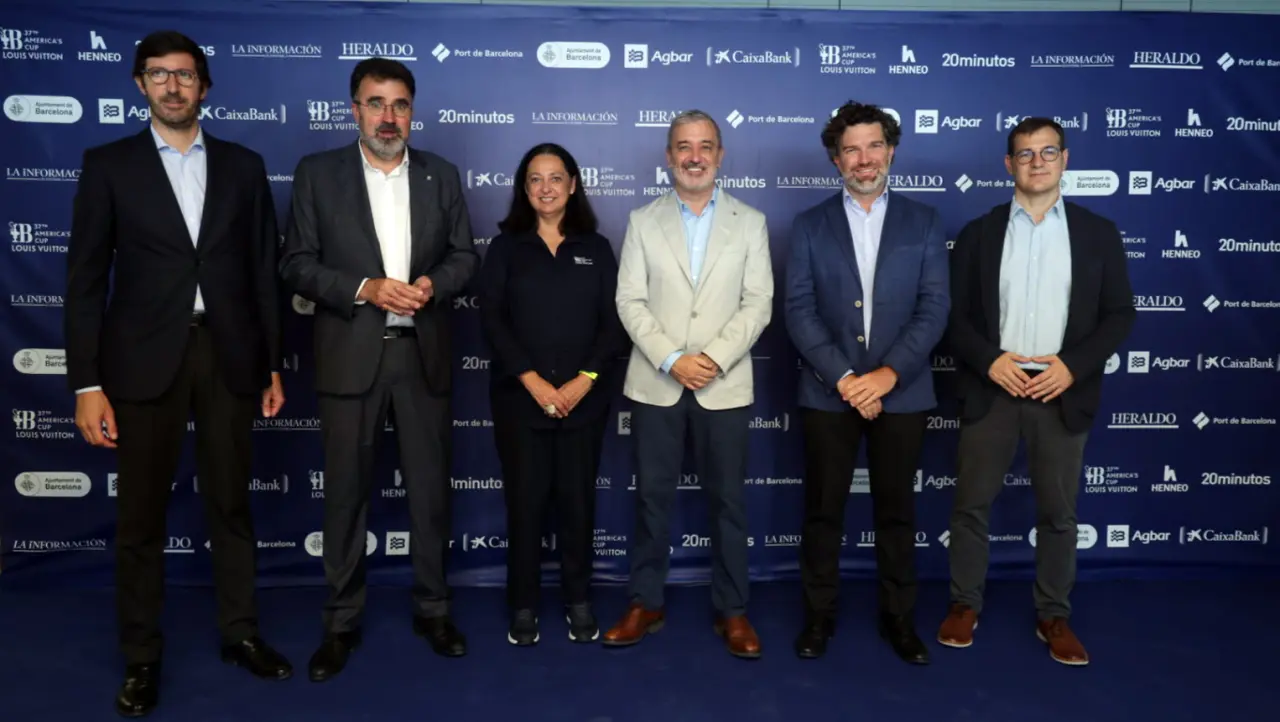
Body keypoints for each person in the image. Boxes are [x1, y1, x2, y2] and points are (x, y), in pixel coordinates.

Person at [64, 30, 291, 718]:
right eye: (159, 74)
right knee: (140, 517)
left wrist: (270, 363)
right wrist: (86, 384)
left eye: (184, 74)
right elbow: (84, 281)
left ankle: (240, 633)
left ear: (204, 87)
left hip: (228, 356)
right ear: (140, 84)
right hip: (140, 361)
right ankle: (141, 656)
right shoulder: (108, 164)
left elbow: (263, 272)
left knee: (231, 504)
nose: (172, 85)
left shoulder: (244, 166)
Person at [278, 57, 479, 681]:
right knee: (344, 496)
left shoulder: (441, 175)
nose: (388, 117)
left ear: (412, 112)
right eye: (376, 103)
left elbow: (465, 257)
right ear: (354, 110)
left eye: (399, 105)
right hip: (349, 357)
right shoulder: (318, 174)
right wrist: (365, 288)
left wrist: (432, 284)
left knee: (430, 496)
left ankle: (433, 610)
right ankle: (341, 621)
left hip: (422, 355)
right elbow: (296, 263)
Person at [939, 117, 1135, 666]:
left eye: (1048, 152)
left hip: (1060, 391)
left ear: (1065, 159)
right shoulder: (979, 233)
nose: (1038, 162)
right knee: (970, 507)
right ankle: (963, 604)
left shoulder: (1098, 233)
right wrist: (989, 361)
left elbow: (1120, 314)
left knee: (1058, 514)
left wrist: (1072, 367)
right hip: (993, 388)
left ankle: (1053, 614)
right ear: (1009, 165)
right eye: (1025, 154)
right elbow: (950, 316)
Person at [783, 100, 950, 664]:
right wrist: (848, 378)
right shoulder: (809, 225)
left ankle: (899, 619)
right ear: (836, 160)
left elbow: (934, 308)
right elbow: (799, 310)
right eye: (850, 149)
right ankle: (818, 617)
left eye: (873, 145)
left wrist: (886, 375)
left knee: (897, 513)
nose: (863, 158)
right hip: (829, 392)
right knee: (823, 511)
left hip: (903, 391)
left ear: (891, 151)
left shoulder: (925, 222)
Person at [604, 110, 774, 659]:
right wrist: (673, 358)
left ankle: (733, 609)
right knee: (652, 500)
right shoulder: (642, 220)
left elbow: (758, 303)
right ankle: (645, 602)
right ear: (668, 156)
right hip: (658, 382)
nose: (694, 156)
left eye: (704, 146)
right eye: (683, 146)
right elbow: (629, 300)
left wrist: (712, 360)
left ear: (720, 156)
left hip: (724, 383)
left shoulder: (750, 221)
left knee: (728, 503)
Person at [476, 142, 629, 646]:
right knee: (525, 506)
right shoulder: (505, 248)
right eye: (535, 179)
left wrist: (583, 381)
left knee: (577, 505)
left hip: (583, 404)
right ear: (524, 189)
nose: (546, 188)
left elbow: (614, 325)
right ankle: (523, 604)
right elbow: (492, 321)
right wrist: (533, 381)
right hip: (520, 402)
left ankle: (578, 599)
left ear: (573, 185)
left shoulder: (596, 248)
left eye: (556, 177)